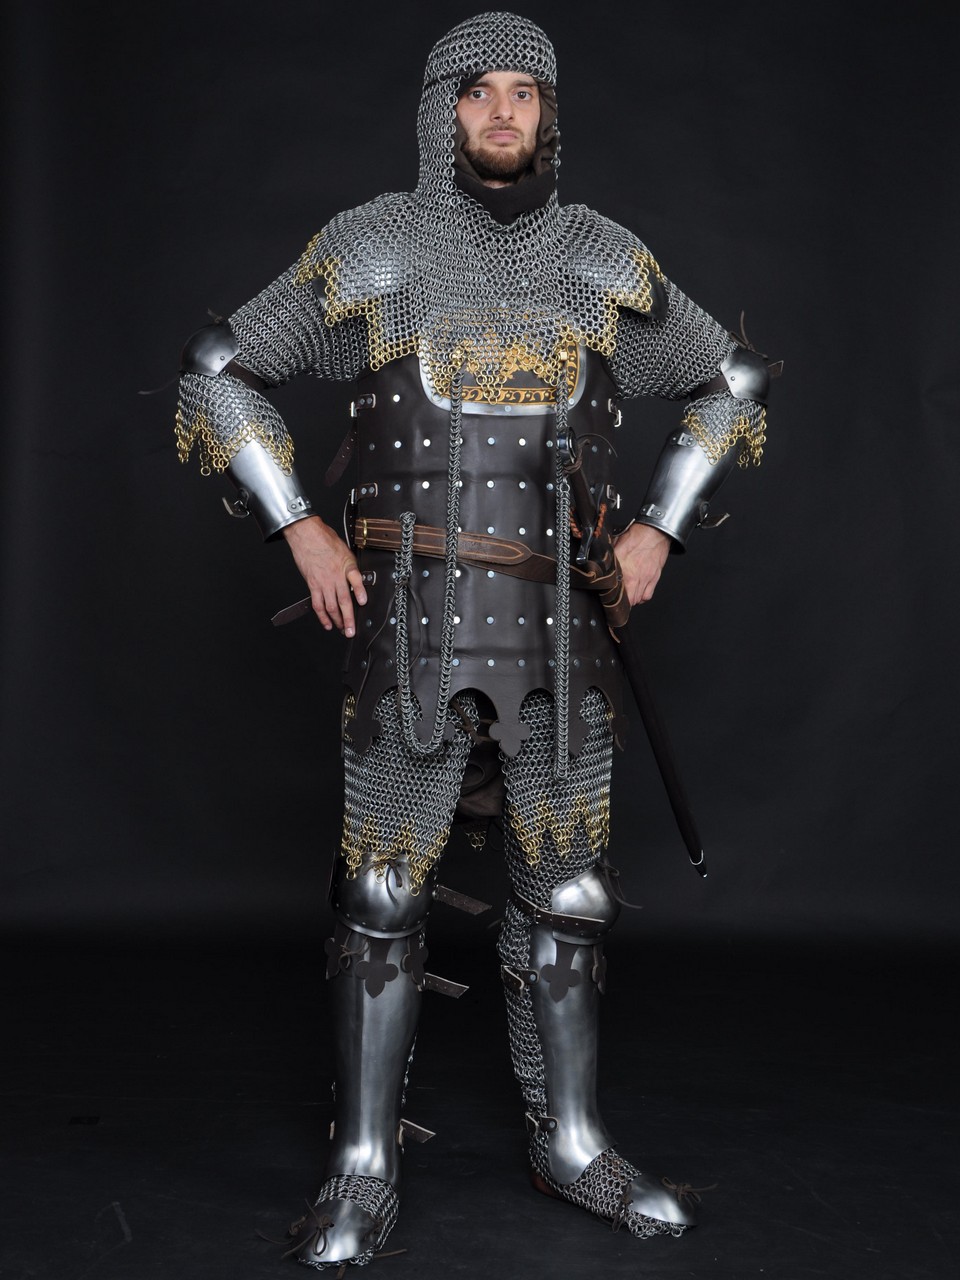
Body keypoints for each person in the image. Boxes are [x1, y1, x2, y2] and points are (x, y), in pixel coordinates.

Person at [176, 11, 770, 1269]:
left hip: (562, 628)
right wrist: (300, 525)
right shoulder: (377, 247)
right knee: (383, 890)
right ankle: (363, 1164)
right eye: (478, 91)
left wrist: (659, 526)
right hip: (409, 626)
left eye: (524, 93)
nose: (503, 112)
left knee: (569, 897)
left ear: (550, 113)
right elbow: (218, 368)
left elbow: (734, 380)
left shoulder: (600, 260)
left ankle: (573, 1141)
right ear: (442, 109)